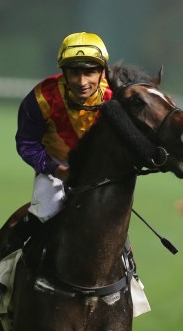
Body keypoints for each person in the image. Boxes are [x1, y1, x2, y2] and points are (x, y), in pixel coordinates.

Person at [17, 31, 112, 224]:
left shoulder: (115, 96)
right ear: (64, 71)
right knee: (42, 213)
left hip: (104, 172)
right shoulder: (41, 97)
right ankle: (17, 252)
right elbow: (27, 143)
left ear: (102, 71)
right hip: (56, 172)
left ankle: (126, 255)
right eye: (74, 72)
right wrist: (57, 169)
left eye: (89, 72)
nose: (82, 82)